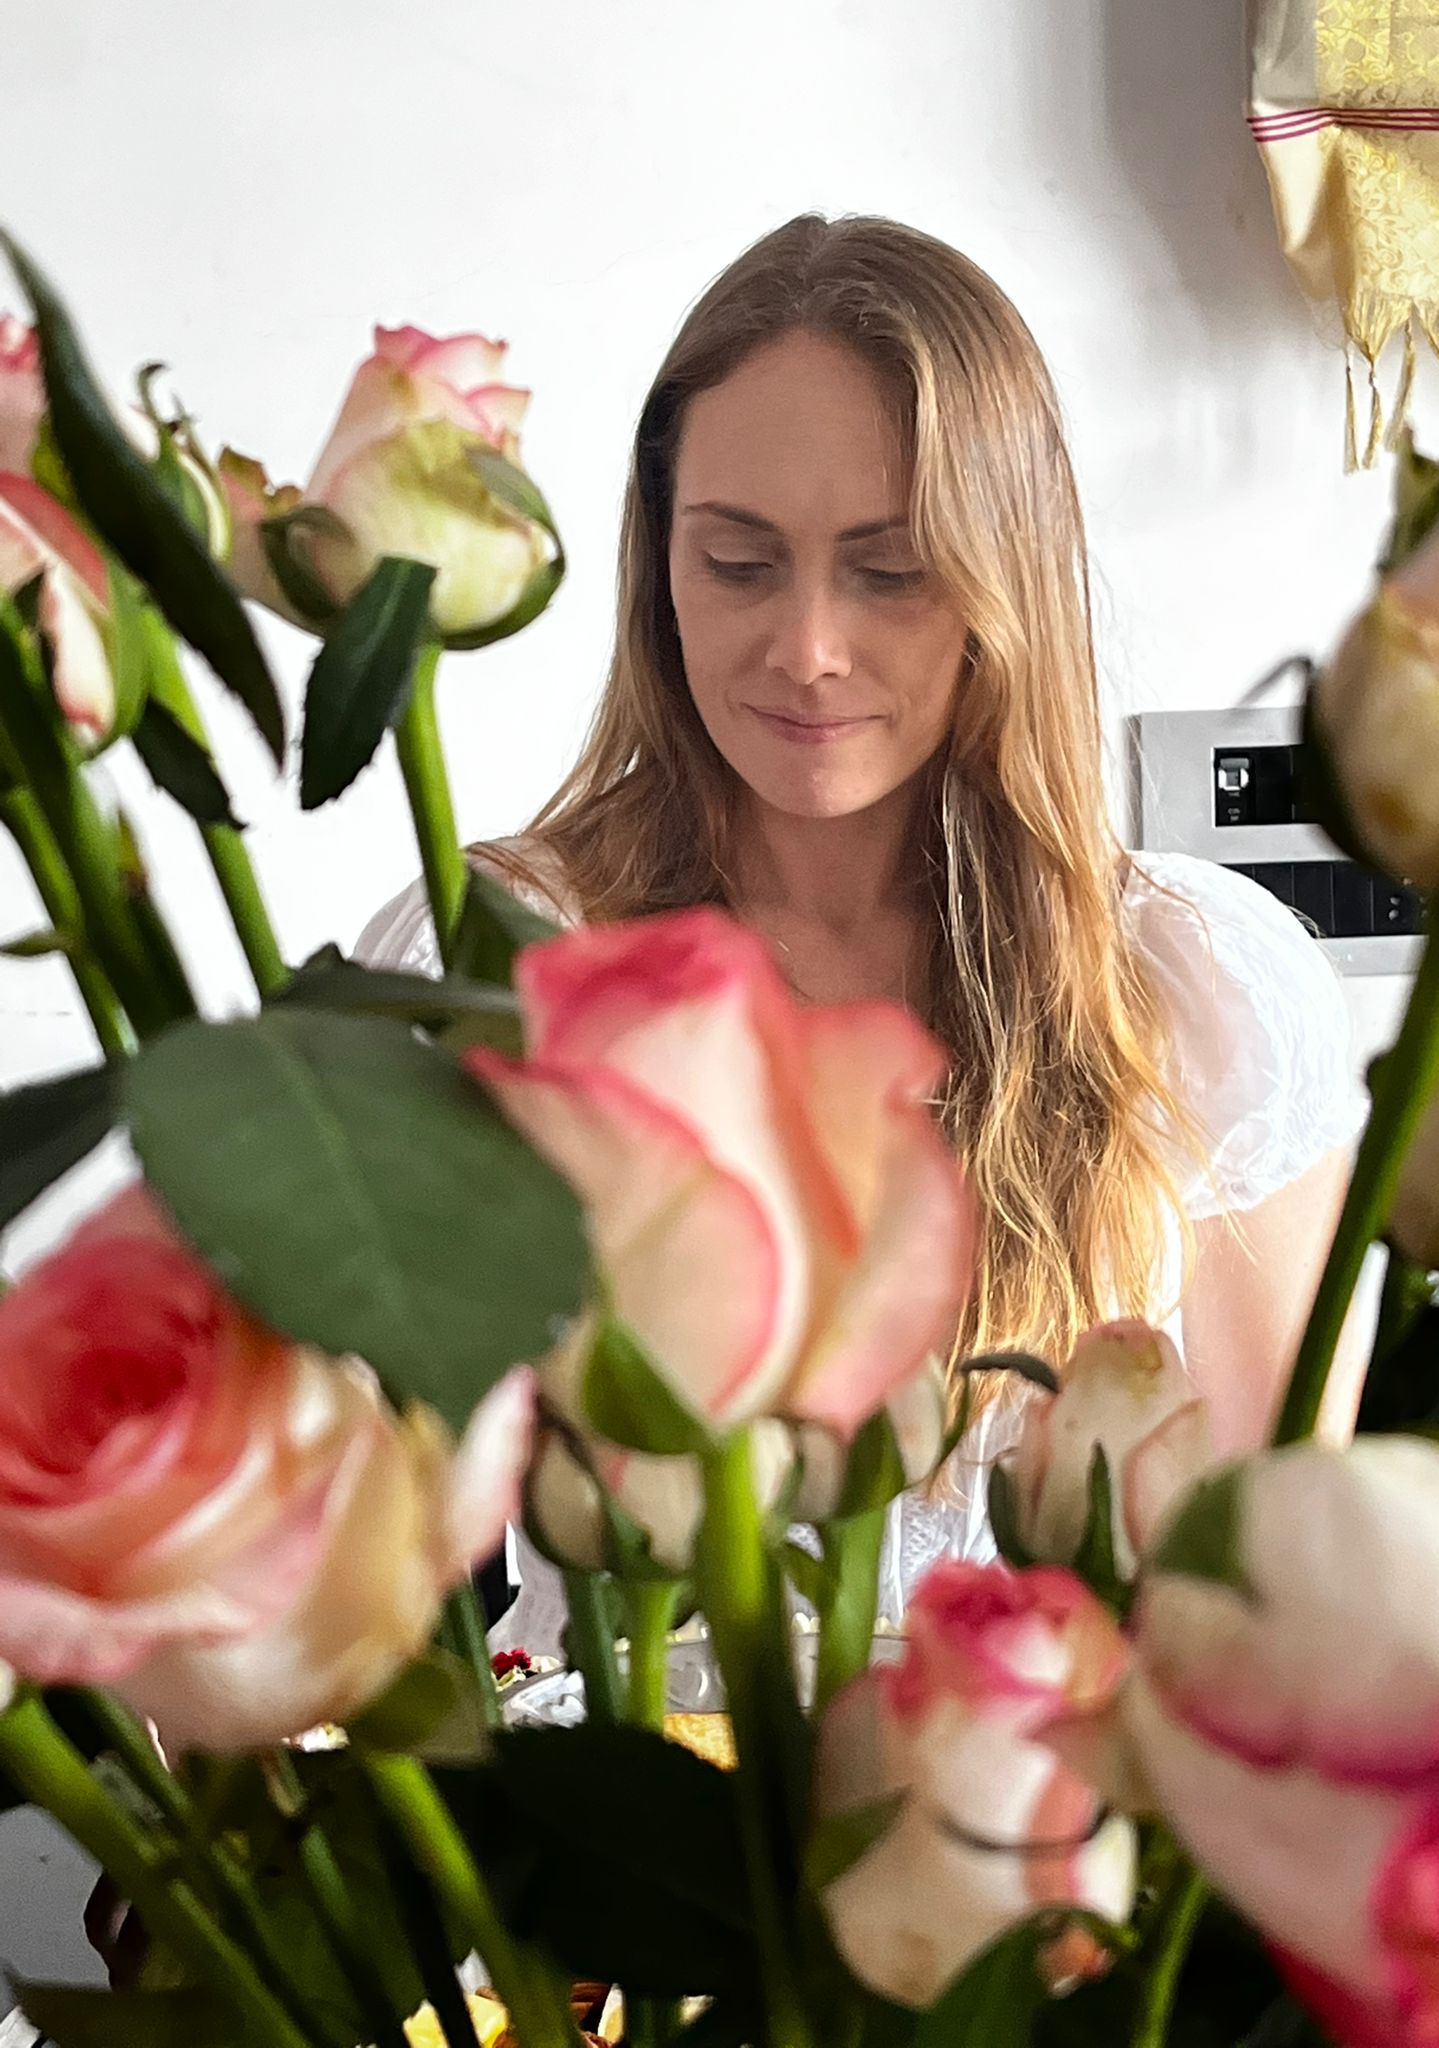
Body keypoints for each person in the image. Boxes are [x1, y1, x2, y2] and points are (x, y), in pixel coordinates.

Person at [360, 213, 1368, 1645]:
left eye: (889, 570)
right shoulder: (496, 954)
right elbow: (357, 1531)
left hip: (1060, 1827)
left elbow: (1304, 1572)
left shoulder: (1195, 981)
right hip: (629, 1834)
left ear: (1000, 580)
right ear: (661, 564)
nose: (808, 646)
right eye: (740, 562)